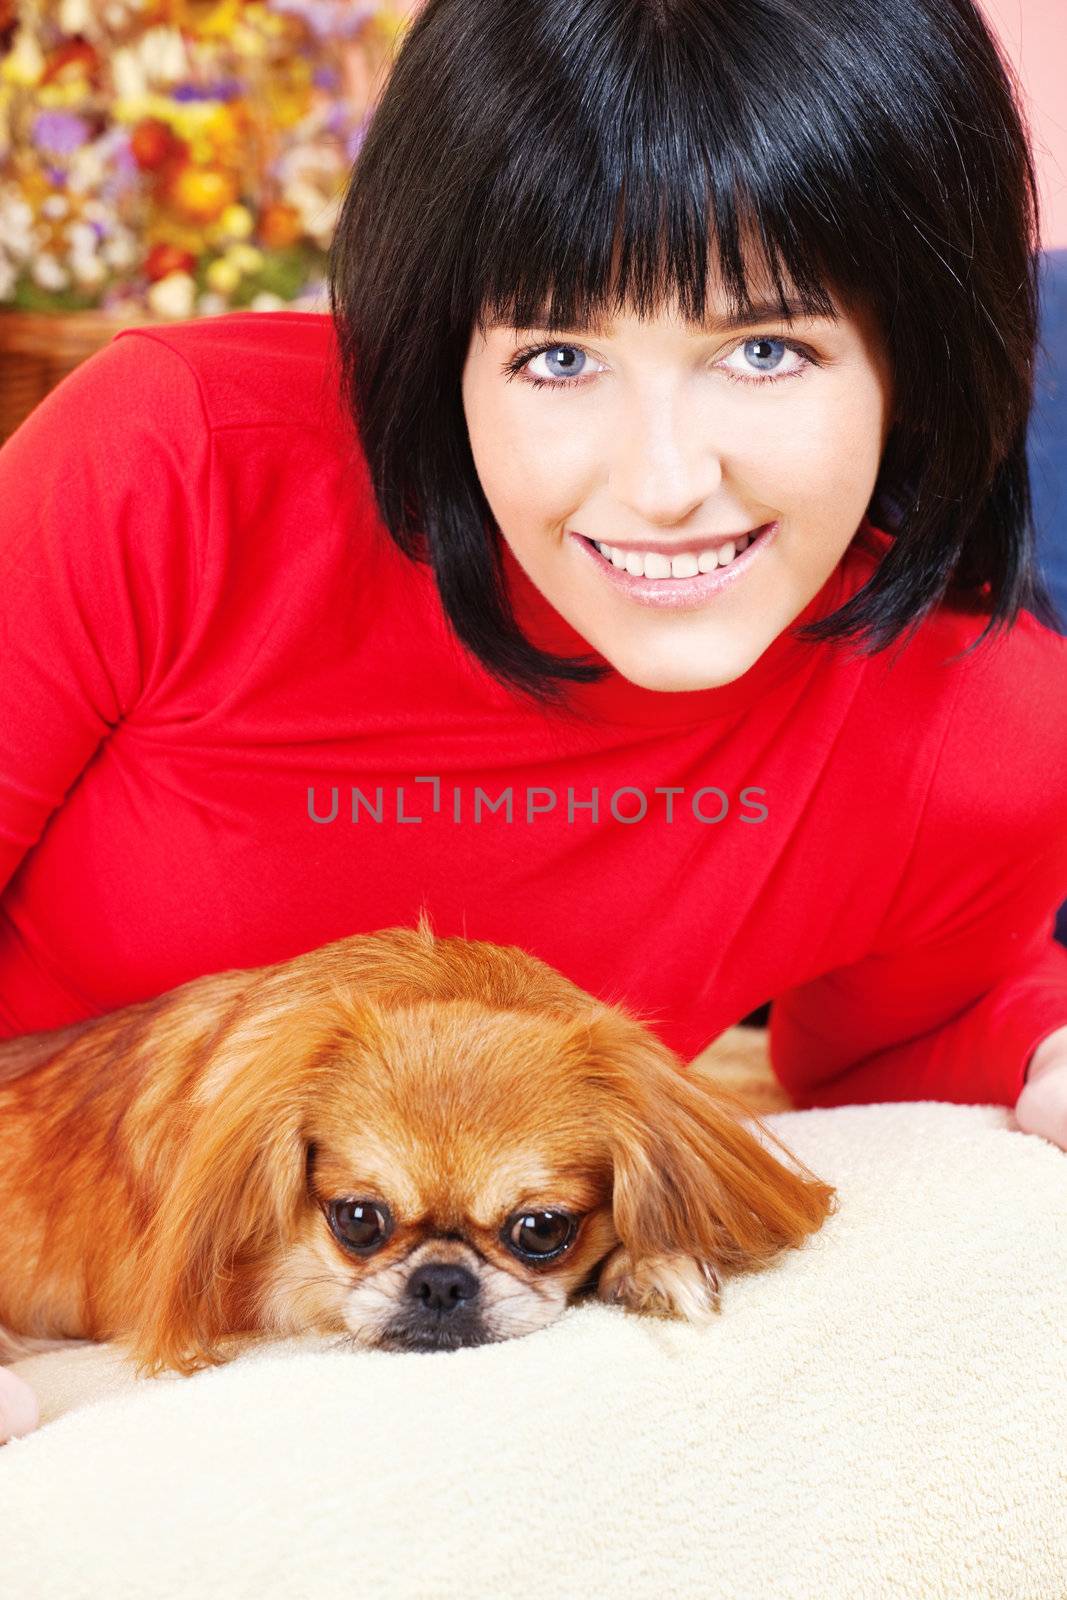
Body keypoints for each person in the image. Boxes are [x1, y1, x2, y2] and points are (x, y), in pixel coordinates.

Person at [1, 0, 1065, 1149]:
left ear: (918, 359)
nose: (661, 483)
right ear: (444, 347)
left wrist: (1040, 1052)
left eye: (764, 352)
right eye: (557, 357)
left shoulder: (977, 718)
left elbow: (893, 1051)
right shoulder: (180, 471)